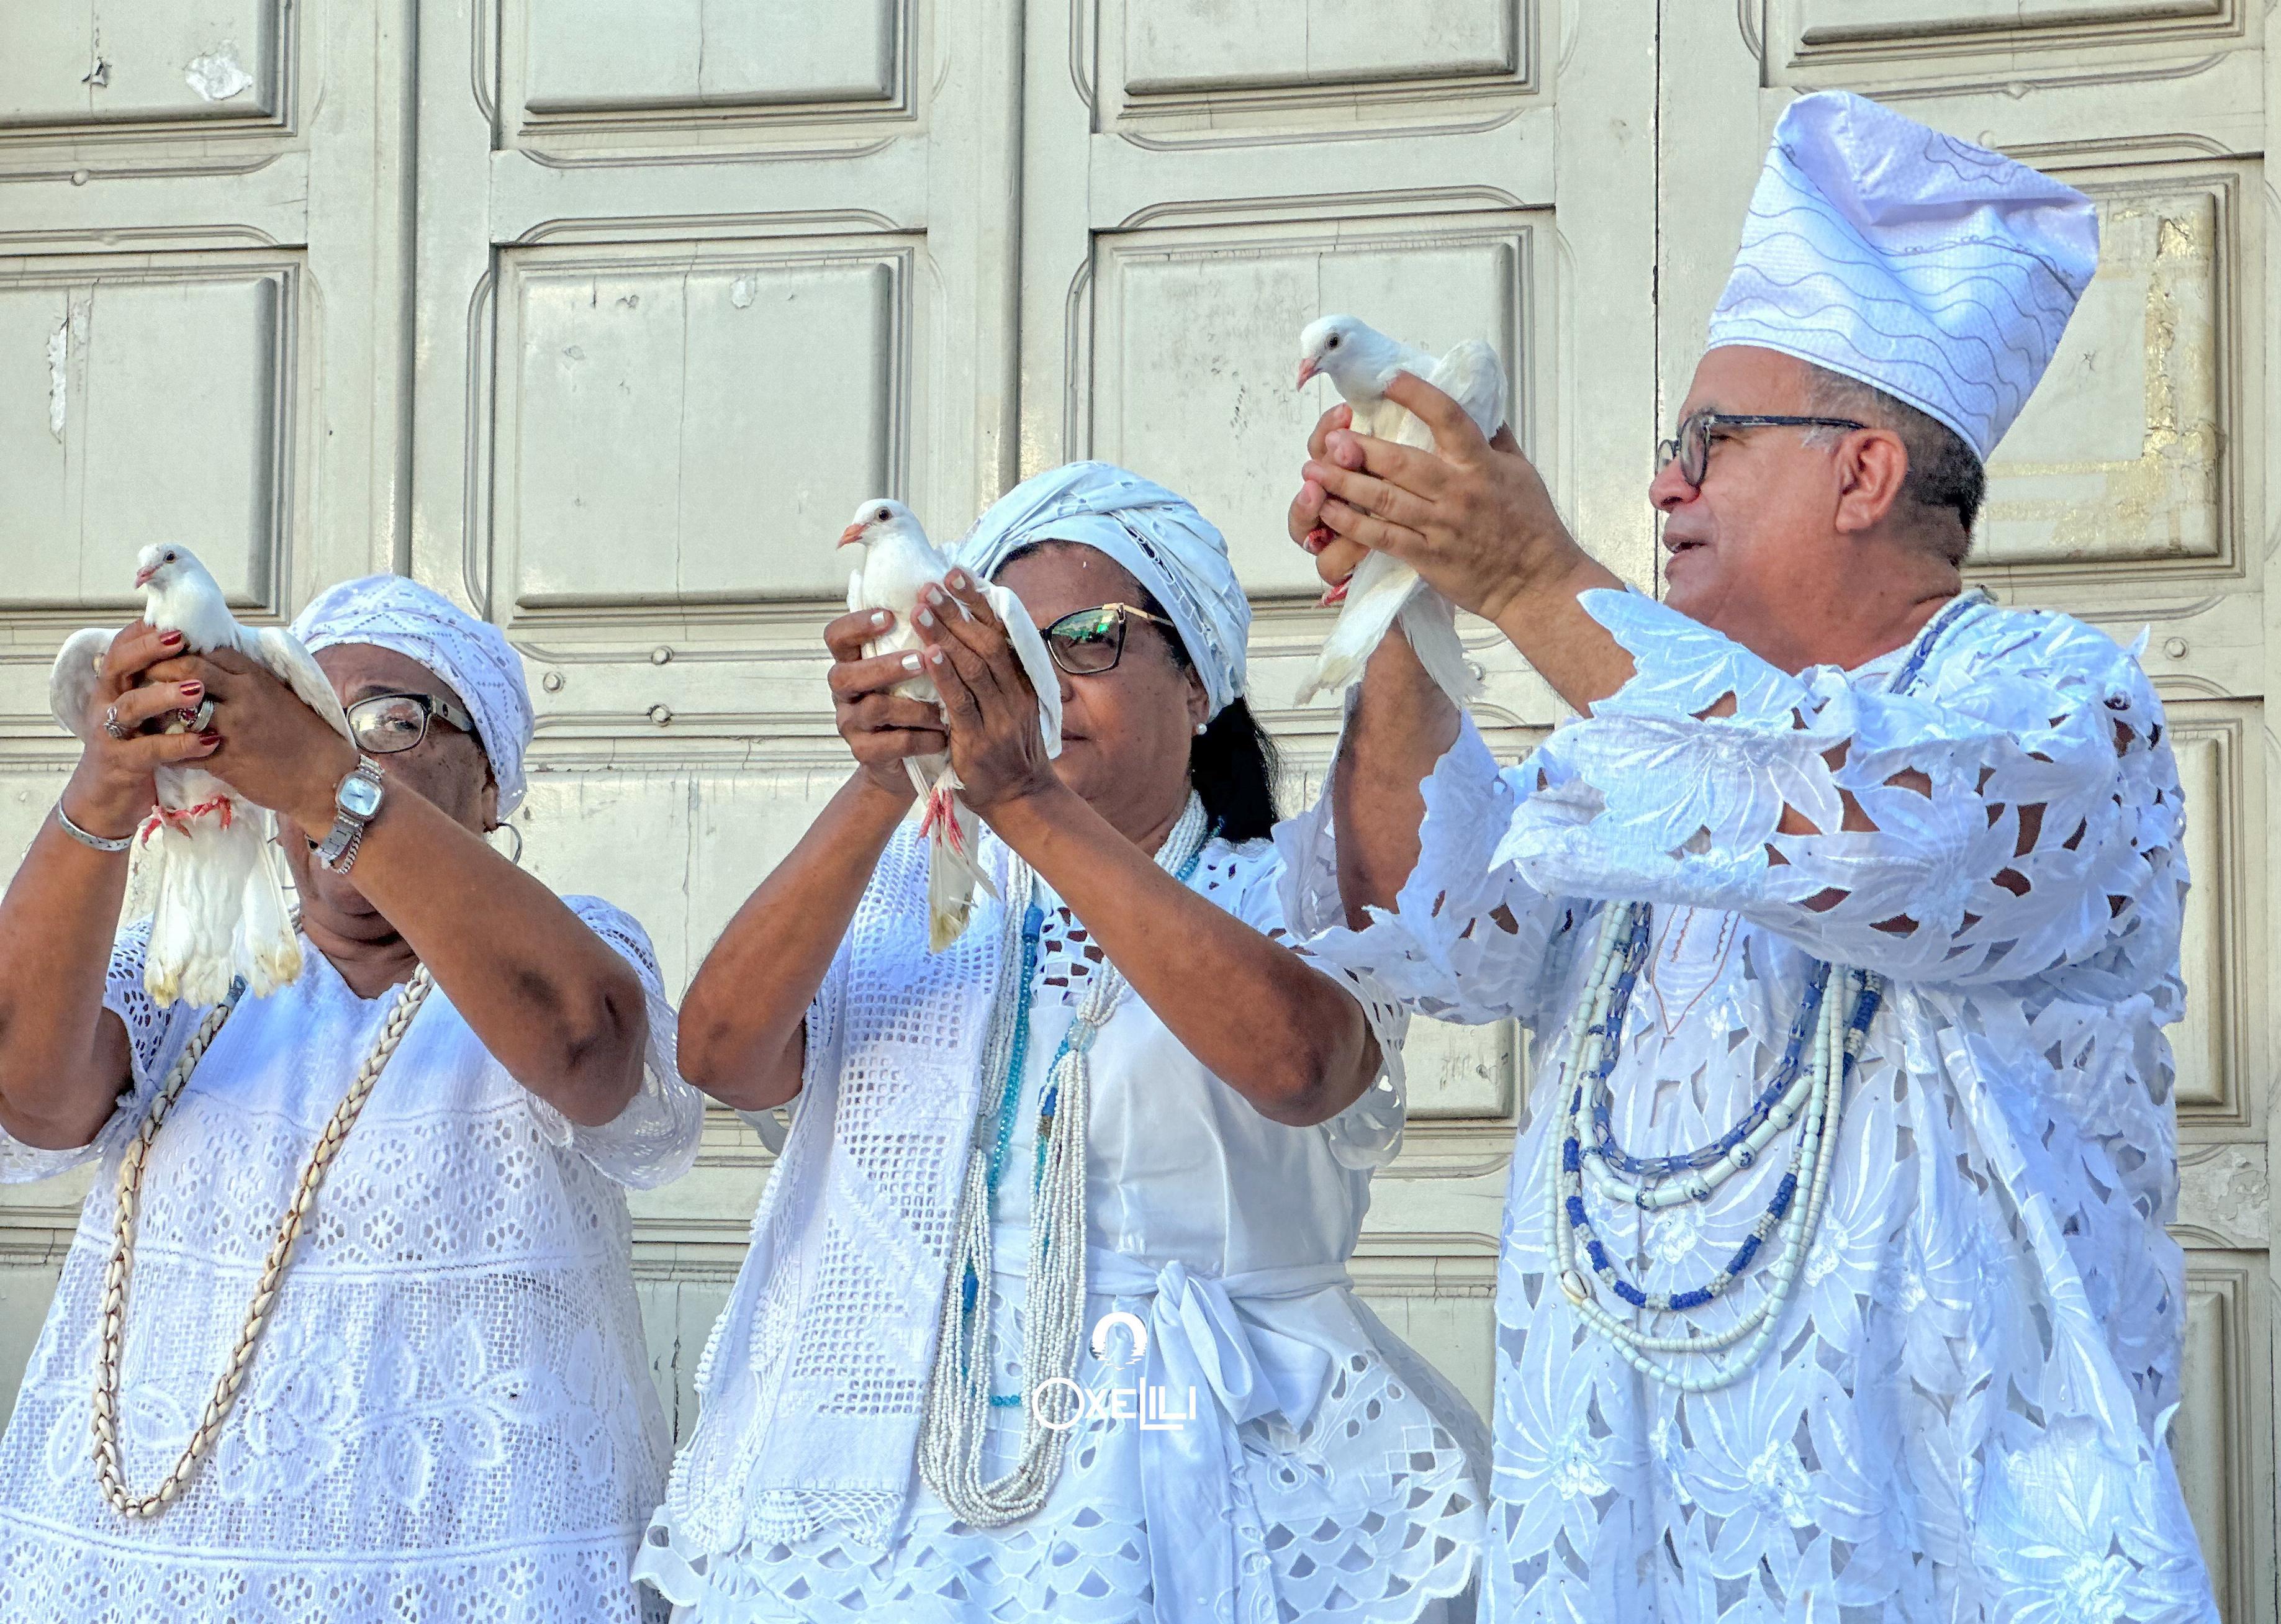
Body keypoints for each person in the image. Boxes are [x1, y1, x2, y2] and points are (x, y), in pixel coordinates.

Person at [1280, 92, 2218, 1619]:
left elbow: (1868, 830)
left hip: (1940, 1546)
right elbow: (1441, 942)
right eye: (1673, 449)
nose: (1662, 486)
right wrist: (1405, 603)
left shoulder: (2059, 706)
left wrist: (1528, 570)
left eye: (1710, 444)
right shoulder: (1647, 752)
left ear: (1861, 476)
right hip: (1620, 1547)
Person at [635, 463, 1487, 1623]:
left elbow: (1301, 1068)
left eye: (1085, 640)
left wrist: (1028, 800)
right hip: (884, 1495)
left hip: (1206, 1483)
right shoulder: (916, 901)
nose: (1035, 678)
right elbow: (719, 1053)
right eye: (1000, 645)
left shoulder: (1293, 882)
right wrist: (892, 779)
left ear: (1197, 684)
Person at [0, 575, 703, 1623]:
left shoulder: (569, 944)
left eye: (393, 722)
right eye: (314, 717)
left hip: (476, 1578)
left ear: (490, 787)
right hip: (143, 1577)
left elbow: (587, 1048)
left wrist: (331, 782)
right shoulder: (186, 976)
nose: (347, 748)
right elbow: (30, 1099)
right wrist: (105, 789)